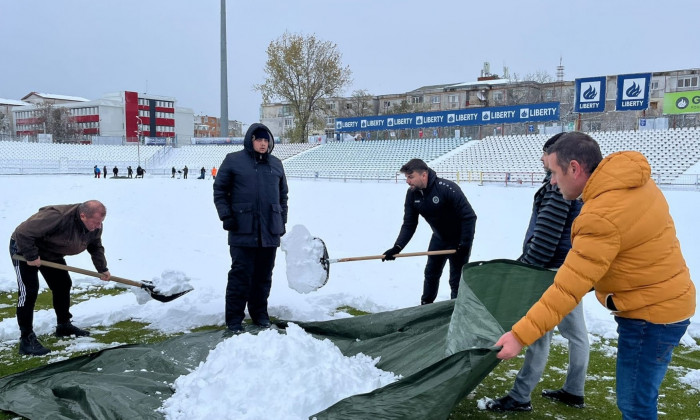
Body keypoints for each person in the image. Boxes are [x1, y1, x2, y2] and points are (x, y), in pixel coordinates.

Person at [495, 132, 695, 419]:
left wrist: (518, 336)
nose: (551, 181)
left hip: (651, 316)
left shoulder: (600, 215)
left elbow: (566, 289)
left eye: (553, 172)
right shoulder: (632, 183)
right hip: (669, 300)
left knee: (636, 406)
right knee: (640, 398)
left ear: (574, 168)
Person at [486, 133, 589, 412]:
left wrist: (525, 270)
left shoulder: (556, 188)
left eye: (545, 156)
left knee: (536, 334)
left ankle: (520, 396)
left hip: (547, 273)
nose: (542, 161)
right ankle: (574, 391)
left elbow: (544, 242)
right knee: (576, 334)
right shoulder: (566, 187)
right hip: (568, 270)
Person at [9, 200, 112, 356]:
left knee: (63, 284)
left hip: (50, 252)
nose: (99, 226)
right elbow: (23, 233)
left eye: (100, 223)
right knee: (28, 291)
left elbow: (95, 246)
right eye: (96, 222)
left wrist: (102, 269)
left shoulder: (95, 226)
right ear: (83, 216)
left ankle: (63, 325)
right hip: (23, 248)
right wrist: (31, 255)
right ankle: (26, 339)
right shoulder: (57, 216)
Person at [213, 123, 288, 334]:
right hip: (242, 229)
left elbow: (283, 196)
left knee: (263, 277)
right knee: (240, 275)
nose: (263, 144)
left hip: (269, 231)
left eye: (266, 140)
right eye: (259, 140)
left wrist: (281, 221)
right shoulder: (233, 161)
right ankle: (234, 319)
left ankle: (260, 314)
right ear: (250, 140)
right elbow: (220, 190)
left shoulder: (276, 164)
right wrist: (226, 216)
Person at [381, 158, 477, 304]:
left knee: (456, 280)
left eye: (411, 177)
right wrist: (397, 247)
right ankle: (425, 307)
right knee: (431, 274)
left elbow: (469, 217)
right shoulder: (412, 194)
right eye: (406, 177)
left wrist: (465, 244)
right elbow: (409, 224)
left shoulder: (447, 188)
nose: (408, 181)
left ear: (423, 175)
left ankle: (457, 310)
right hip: (439, 238)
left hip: (459, 242)